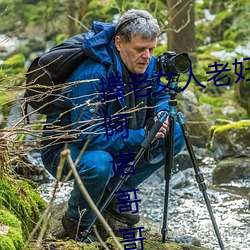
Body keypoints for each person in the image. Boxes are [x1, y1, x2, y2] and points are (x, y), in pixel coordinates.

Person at [41, 9, 185, 241]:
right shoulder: (92, 75)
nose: (147, 56)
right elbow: (87, 136)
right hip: (67, 150)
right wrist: (142, 135)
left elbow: (160, 93)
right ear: (119, 43)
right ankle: (76, 221)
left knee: (175, 132)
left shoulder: (145, 63)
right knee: (100, 165)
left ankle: (114, 193)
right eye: (140, 49)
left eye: (152, 49)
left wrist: (161, 113)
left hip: (116, 137)